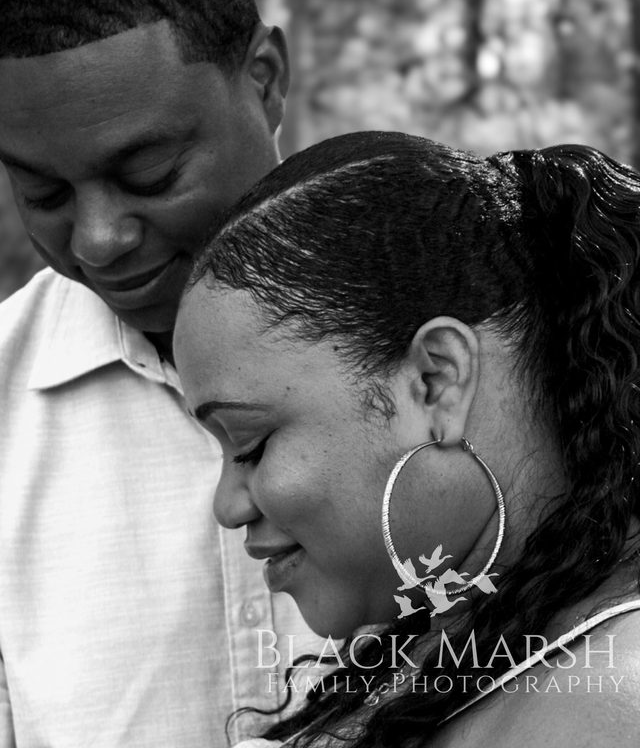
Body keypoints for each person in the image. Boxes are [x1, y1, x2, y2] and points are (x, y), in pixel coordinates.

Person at [0, 0, 317, 746]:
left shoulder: (480, 345)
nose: (98, 241)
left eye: (152, 173)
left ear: (264, 79)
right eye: (44, 193)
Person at [173, 131, 640, 747]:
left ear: (436, 382)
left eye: (251, 444)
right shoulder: (466, 653)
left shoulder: (603, 706)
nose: (228, 505)